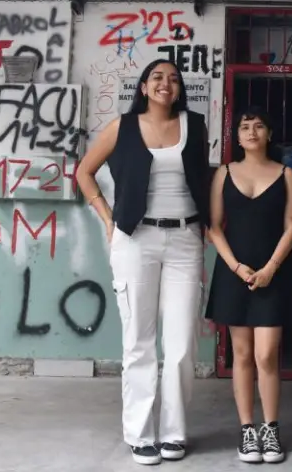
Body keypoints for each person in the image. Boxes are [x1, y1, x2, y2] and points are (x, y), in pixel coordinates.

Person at [76, 59, 212, 466]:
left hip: (186, 238)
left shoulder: (196, 125)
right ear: (143, 87)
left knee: (183, 343)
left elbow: (200, 179)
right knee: (138, 341)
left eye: (173, 79)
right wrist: (107, 219)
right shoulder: (123, 127)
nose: (165, 84)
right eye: (157, 77)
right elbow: (84, 172)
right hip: (136, 239)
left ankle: (173, 432)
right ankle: (140, 434)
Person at [204, 107, 292, 464]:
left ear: (269, 133)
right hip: (235, 273)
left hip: (273, 274)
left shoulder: (286, 173)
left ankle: (271, 429)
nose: (251, 132)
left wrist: (271, 268)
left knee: (266, 355)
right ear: (237, 134)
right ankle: (248, 430)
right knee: (242, 355)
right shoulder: (224, 174)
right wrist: (237, 268)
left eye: (259, 125)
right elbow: (214, 226)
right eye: (245, 126)